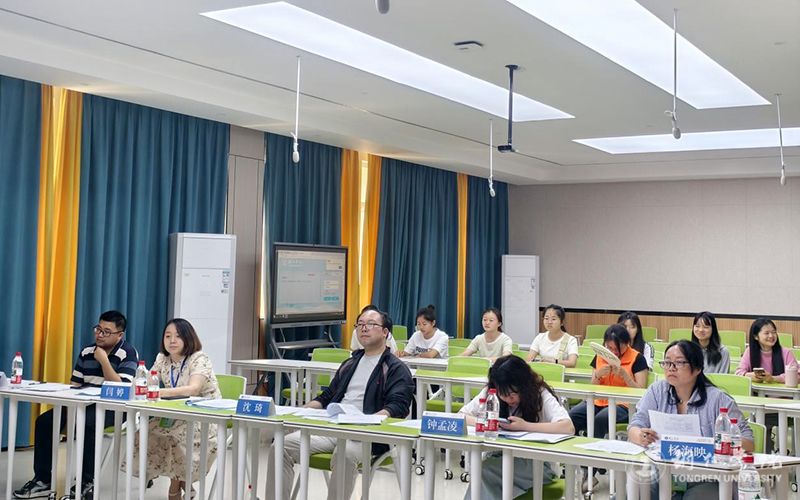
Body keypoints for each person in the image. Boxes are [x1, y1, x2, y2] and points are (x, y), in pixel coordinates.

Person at [267, 308, 414, 500]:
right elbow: (327, 397)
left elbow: (398, 406)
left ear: (385, 332)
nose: (364, 328)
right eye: (360, 324)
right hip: (334, 428)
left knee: (344, 453)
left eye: (371, 324)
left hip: (368, 436)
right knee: (281, 446)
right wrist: (298, 411)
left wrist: (369, 421)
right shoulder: (350, 364)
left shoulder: (396, 368)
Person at [14, 310, 139, 500]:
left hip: (113, 407)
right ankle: (43, 480)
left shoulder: (127, 353)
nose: (100, 334)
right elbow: (75, 384)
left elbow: (121, 388)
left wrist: (104, 361)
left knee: (88, 424)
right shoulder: (87, 351)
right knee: (44, 422)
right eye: (98, 329)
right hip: (83, 402)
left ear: (119, 335)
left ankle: (86, 483)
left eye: (106, 332)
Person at [628, 340, 754, 499]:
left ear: (697, 368)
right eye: (667, 362)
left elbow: (749, 442)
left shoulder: (718, 399)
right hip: (664, 471)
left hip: (707, 477)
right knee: (635, 489)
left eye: (679, 362)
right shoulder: (657, 391)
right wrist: (641, 436)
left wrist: (720, 444)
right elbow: (635, 425)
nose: (671, 368)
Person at [126, 318, 221, 500]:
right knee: (144, 433)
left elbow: (193, 389)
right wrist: (141, 385)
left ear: (188, 338)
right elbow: (147, 381)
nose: (172, 341)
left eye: (178, 336)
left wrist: (158, 392)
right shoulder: (162, 359)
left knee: (175, 438)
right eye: (168, 336)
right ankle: (184, 484)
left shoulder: (199, 358)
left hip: (204, 417)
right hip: (177, 415)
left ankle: (174, 488)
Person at [460, 355, 574, 499]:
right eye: (503, 395)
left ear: (524, 386)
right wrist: (486, 422)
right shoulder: (493, 392)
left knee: (484, 471)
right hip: (500, 457)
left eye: (512, 394)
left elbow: (568, 427)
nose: (508, 399)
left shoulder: (540, 394)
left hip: (536, 463)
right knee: (484, 471)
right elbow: (462, 415)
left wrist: (525, 426)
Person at [568, 323, 647, 492]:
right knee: (571, 417)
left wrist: (625, 376)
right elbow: (593, 385)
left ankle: (590, 473)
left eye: (617, 348)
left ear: (627, 343)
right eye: (609, 347)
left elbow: (641, 392)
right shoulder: (599, 356)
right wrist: (598, 375)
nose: (613, 351)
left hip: (623, 404)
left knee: (600, 420)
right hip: (598, 401)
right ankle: (580, 463)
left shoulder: (638, 358)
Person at [736, 317, 797, 383]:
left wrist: (773, 379)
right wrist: (749, 375)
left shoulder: (786, 353)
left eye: (774, 332)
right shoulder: (749, 351)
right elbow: (739, 372)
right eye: (766, 333)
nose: (771, 336)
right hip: (756, 389)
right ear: (756, 336)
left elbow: (797, 376)